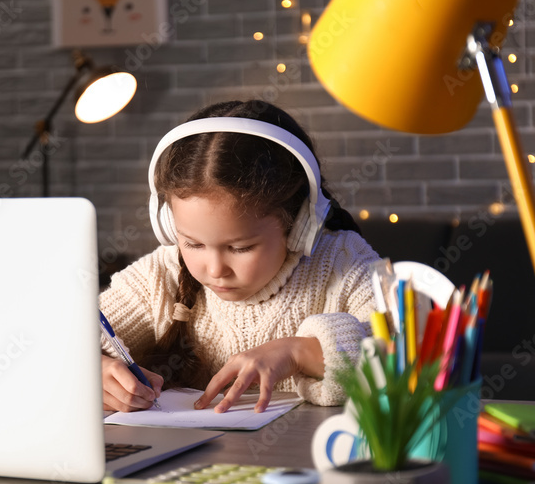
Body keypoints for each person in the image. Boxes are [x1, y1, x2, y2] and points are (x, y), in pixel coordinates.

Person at [100, 100, 380, 413]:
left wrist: (299, 353)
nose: (215, 269)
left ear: (300, 224)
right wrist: (92, 369)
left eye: (240, 248)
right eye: (192, 244)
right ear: (168, 225)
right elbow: (65, 336)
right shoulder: (159, 274)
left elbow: (406, 356)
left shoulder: (344, 261)